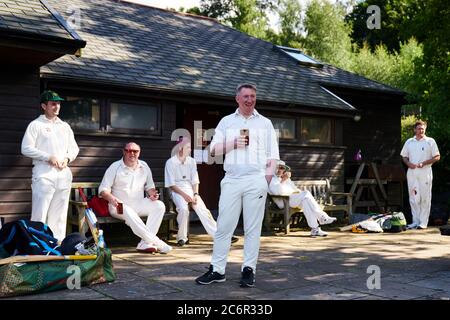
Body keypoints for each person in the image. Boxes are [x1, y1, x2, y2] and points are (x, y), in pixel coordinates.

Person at [195, 83, 279, 288]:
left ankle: (248, 270)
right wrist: (234, 143)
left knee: (252, 229)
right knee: (224, 227)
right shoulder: (227, 122)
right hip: (231, 180)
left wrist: (265, 182)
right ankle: (217, 270)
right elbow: (212, 151)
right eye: (245, 97)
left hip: (256, 181)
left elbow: (273, 158)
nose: (249, 100)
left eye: (252, 96)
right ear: (237, 99)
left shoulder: (265, 123)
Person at [21, 90, 79, 241]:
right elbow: (26, 148)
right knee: (40, 214)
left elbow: (74, 148)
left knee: (59, 216)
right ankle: (36, 246)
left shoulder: (65, 126)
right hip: (44, 174)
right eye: (53, 103)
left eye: (58, 103)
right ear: (43, 106)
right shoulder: (36, 125)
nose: (57, 106)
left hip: (63, 174)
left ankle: (56, 246)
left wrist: (67, 158)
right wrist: (48, 157)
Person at [99, 142, 172, 253]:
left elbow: (150, 186)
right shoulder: (115, 167)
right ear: (124, 152)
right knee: (127, 210)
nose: (132, 153)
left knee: (159, 205)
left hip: (138, 204)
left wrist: (152, 194)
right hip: (118, 205)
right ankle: (157, 242)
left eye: (135, 151)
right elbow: (103, 190)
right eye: (128, 150)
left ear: (139, 153)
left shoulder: (144, 166)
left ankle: (145, 243)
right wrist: (111, 198)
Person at [165, 137, 238, 246]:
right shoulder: (170, 162)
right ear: (180, 148)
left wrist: (195, 194)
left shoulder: (191, 161)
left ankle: (219, 236)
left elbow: (195, 181)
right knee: (184, 210)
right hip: (177, 191)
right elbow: (171, 185)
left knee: (203, 210)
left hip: (190, 190)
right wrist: (184, 195)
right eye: (188, 147)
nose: (190, 149)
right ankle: (182, 238)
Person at [268, 160, 337, 237]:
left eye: (283, 168)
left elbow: (294, 189)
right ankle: (322, 216)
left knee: (306, 202)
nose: (281, 170)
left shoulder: (286, 179)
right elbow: (276, 192)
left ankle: (315, 229)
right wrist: (283, 180)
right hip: (284, 201)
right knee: (306, 193)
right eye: (279, 167)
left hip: (293, 199)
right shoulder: (272, 179)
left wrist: (298, 192)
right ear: (275, 168)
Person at [400, 120, 440, 229]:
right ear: (415, 129)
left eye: (423, 128)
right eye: (419, 128)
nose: (421, 130)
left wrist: (424, 163)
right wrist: (408, 163)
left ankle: (423, 223)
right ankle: (415, 221)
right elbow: (404, 156)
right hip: (412, 172)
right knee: (413, 197)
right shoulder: (409, 141)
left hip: (425, 172)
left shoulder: (430, 141)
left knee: (425, 197)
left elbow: (437, 156)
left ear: (425, 129)